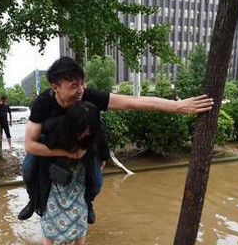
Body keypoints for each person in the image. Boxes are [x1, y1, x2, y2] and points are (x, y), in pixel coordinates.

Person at [17, 56, 214, 223]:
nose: (81, 90)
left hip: (85, 144)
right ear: (55, 87)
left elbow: (132, 102)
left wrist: (177, 106)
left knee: (97, 182)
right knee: (28, 169)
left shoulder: (88, 95)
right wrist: (67, 153)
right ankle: (33, 200)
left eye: (82, 83)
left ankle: (88, 202)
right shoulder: (42, 104)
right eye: (74, 86)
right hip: (53, 143)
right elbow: (30, 144)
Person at [38, 101, 102, 245]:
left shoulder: (93, 132)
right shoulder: (53, 127)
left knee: (81, 208)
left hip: (80, 177)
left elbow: (101, 149)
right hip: (55, 177)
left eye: (88, 131)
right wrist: (69, 154)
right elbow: (37, 149)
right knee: (50, 211)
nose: (85, 134)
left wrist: (100, 158)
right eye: (82, 131)